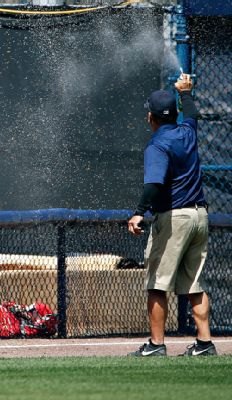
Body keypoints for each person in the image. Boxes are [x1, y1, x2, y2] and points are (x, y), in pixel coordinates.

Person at [127, 74, 216, 357]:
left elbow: (153, 184)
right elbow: (192, 114)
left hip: (175, 218)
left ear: (150, 117)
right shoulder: (187, 132)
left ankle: (155, 345)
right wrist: (185, 92)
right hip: (200, 216)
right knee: (193, 285)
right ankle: (204, 344)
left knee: (157, 284)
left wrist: (139, 213)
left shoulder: (157, 145)